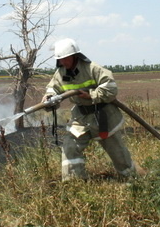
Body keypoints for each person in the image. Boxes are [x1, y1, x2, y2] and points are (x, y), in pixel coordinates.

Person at [43, 38, 136, 181]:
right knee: (70, 147)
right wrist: (49, 98)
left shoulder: (93, 68)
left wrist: (91, 95)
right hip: (80, 118)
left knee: (117, 152)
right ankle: (74, 182)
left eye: (65, 59)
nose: (63, 62)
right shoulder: (60, 73)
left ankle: (132, 179)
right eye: (60, 60)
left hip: (103, 117)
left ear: (74, 56)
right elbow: (52, 88)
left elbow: (111, 88)